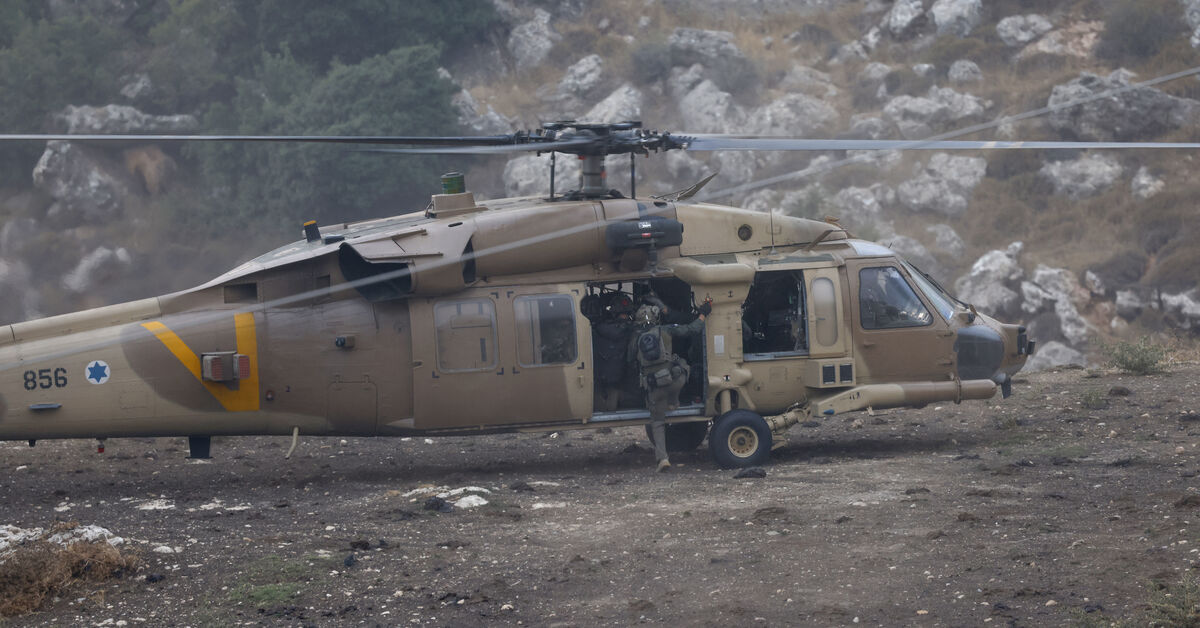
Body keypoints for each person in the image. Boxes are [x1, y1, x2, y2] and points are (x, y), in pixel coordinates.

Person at [629, 299, 710, 472]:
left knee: (657, 422)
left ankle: (663, 459)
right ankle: (674, 401)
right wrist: (703, 314)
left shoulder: (636, 339)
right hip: (673, 383)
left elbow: (630, 359)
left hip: (654, 388)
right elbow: (692, 329)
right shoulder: (666, 330)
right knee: (683, 366)